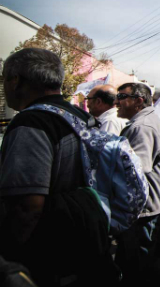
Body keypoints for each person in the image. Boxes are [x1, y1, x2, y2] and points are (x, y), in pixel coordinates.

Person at [0, 48, 117, 285]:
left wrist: (9, 259)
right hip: (90, 239)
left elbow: (27, 207)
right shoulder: (80, 116)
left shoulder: (32, 123)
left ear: (15, 81)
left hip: (51, 258)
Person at [115, 82, 160, 284]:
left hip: (142, 207)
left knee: (141, 263)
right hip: (146, 204)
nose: (116, 102)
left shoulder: (142, 127)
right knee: (140, 260)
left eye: (121, 97)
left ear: (139, 101)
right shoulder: (142, 122)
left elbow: (136, 171)